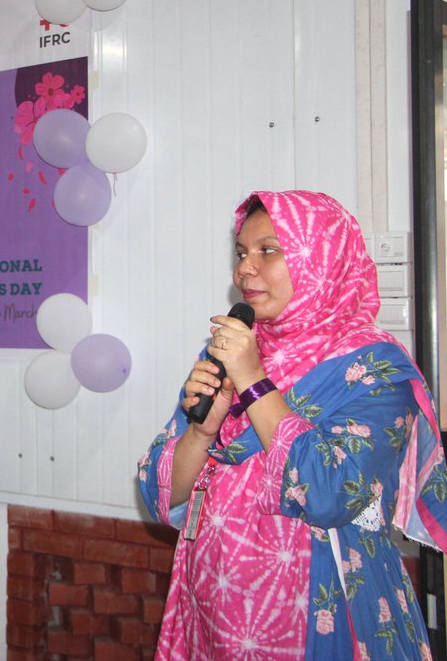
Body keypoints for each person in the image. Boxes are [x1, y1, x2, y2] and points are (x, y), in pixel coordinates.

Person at [137, 190, 447, 659]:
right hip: (214, 616)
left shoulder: (374, 369)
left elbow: (330, 491)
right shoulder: (229, 349)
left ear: (321, 257)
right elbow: (164, 496)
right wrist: (202, 431)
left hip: (323, 618)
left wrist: (255, 381)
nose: (244, 268)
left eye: (269, 250)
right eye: (241, 253)